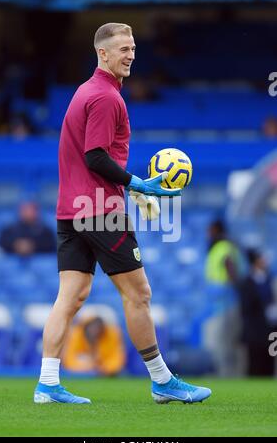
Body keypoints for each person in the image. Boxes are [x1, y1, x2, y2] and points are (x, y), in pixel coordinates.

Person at [34, 23, 211, 405]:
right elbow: (95, 156)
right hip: (100, 211)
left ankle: (47, 384)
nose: (131, 54)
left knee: (71, 295)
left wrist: (128, 187)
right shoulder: (105, 97)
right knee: (138, 293)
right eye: (123, 49)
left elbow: (89, 157)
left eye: (133, 48)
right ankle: (162, 380)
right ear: (103, 53)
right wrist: (139, 185)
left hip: (72, 209)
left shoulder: (86, 91)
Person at [204, 219, 242, 376]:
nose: (208, 234)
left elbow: (230, 267)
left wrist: (232, 287)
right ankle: (225, 372)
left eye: (210, 230)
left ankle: (228, 373)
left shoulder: (223, 247)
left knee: (224, 340)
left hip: (226, 300)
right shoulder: (218, 247)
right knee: (221, 340)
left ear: (217, 230)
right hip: (219, 301)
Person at [239, 249, 277, 376]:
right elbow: (246, 308)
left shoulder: (269, 279)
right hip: (254, 330)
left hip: (270, 329)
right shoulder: (247, 282)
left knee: (269, 362)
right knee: (254, 363)